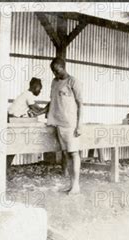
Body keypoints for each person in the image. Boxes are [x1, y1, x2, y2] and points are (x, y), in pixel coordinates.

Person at [47, 57, 83, 195]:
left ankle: (76, 185)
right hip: (58, 123)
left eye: (57, 70)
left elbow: (80, 105)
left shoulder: (73, 82)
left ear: (63, 67)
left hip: (70, 124)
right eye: (53, 71)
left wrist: (79, 125)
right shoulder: (54, 82)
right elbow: (53, 101)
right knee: (66, 154)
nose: (55, 74)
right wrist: (42, 111)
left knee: (74, 153)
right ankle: (71, 185)